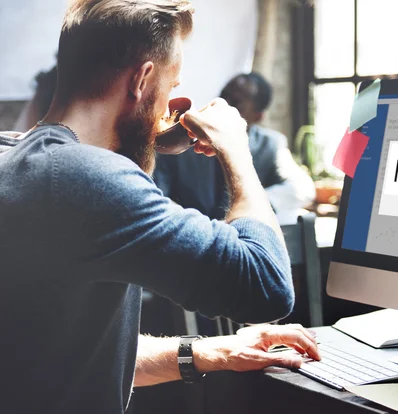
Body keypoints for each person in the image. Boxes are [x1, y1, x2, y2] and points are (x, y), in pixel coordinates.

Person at [0, 1, 319, 413]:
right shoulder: (87, 178)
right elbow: (268, 286)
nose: (168, 105)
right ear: (142, 79)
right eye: (171, 86)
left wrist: (214, 351)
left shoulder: (16, 157)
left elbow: (64, 353)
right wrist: (237, 151)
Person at [154, 72, 316, 224]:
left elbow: (302, 188)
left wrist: (250, 205)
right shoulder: (182, 141)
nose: (224, 104)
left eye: (236, 102)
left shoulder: (270, 145)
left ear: (258, 116)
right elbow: (157, 196)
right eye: (223, 95)